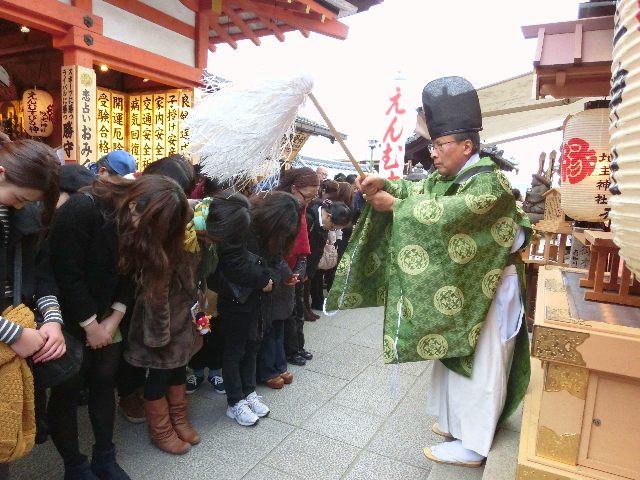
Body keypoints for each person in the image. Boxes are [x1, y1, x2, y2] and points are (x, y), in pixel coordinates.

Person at [339, 76, 531, 467]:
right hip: (472, 285)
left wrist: (395, 206)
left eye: (440, 145)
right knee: (455, 352)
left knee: (483, 361)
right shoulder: (453, 179)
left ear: (466, 145)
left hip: (493, 286)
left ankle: (474, 444)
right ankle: (458, 424)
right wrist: (386, 183)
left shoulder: (490, 183)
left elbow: (450, 214)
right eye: (433, 144)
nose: (434, 154)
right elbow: (420, 193)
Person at [48, 175, 187, 479]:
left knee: (104, 381)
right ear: (135, 204)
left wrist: (113, 319)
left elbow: (129, 275)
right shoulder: (83, 210)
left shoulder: (139, 225)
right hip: (66, 317)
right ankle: (74, 466)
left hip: (107, 316)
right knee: (67, 391)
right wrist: (90, 325)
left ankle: (105, 456)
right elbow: (66, 273)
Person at [0, 135, 61, 478]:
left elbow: (40, 273)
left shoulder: (22, 214)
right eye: (20, 198)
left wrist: (51, 319)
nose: (23, 207)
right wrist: (13, 334)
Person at [123, 175, 197, 455]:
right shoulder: (157, 248)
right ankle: (161, 429)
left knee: (178, 370)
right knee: (156, 378)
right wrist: (158, 338)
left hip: (180, 320)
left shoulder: (179, 222)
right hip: (160, 328)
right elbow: (154, 299)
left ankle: (179, 419)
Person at [209, 193, 296, 426]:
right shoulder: (243, 223)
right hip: (237, 300)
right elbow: (231, 263)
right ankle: (234, 402)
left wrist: (272, 281)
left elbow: (277, 263)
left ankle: (248, 393)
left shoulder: (274, 235)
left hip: (260, 301)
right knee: (235, 351)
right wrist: (262, 280)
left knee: (253, 347)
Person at [276, 167, 319, 366]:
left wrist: (301, 266)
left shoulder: (300, 206)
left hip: (296, 264)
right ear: (294, 189)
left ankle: (297, 347)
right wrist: (288, 271)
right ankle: (289, 351)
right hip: (281, 266)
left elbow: (302, 241)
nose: (309, 202)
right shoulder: (281, 206)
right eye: (307, 196)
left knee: (297, 310)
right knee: (286, 314)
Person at [306, 200, 352, 314]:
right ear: (328, 216)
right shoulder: (309, 218)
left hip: (311, 261)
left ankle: (306, 310)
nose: (332, 230)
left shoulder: (323, 223)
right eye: (333, 227)